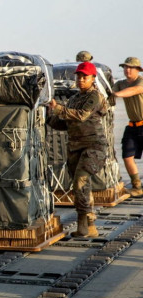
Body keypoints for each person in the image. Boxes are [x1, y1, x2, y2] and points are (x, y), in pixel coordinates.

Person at [47, 62, 108, 237]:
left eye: (85, 77)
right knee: (81, 186)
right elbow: (64, 123)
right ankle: (90, 223)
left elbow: (81, 116)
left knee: (80, 181)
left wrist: (58, 108)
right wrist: (48, 116)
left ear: (93, 78)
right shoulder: (74, 99)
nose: (81, 80)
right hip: (75, 148)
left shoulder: (95, 97)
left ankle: (83, 223)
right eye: (79, 76)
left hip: (93, 147)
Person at [113, 57, 143, 197]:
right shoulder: (120, 83)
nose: (127, 70)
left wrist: (116, 95)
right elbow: (108, 91)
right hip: (132, 125)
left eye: (130, 67)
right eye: (125, 67)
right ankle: (137, 186)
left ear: (138, 70)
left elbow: (134, 90)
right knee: (127, 155)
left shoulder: (140, 82)